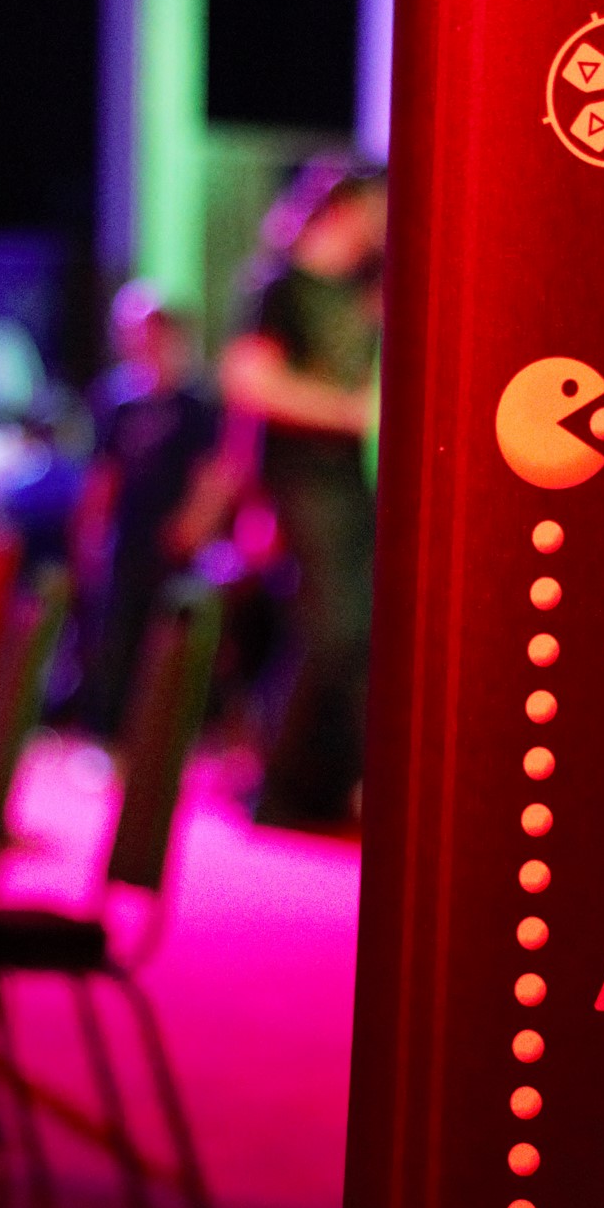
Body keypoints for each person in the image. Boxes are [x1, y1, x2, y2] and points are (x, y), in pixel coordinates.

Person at [219, 164, 387, 829]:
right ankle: (287, 790)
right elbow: (250, 382)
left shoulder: (368, 286)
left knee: (351, 631)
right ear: (347, 206)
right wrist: (351, 412)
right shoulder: (279, 287)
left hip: (352, 481)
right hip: (301, 481)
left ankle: (317, 786)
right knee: (332, 630)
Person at [78, 282, 228, 738]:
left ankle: (180, 731)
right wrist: (92, 532)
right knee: (119, 637)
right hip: (128, 538)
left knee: (174, 637)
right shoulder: (115, 402)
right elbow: (103, 475)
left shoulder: (195, 403)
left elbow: (214, 473)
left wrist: (195, 526)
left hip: (175, 544)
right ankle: (116, 734)